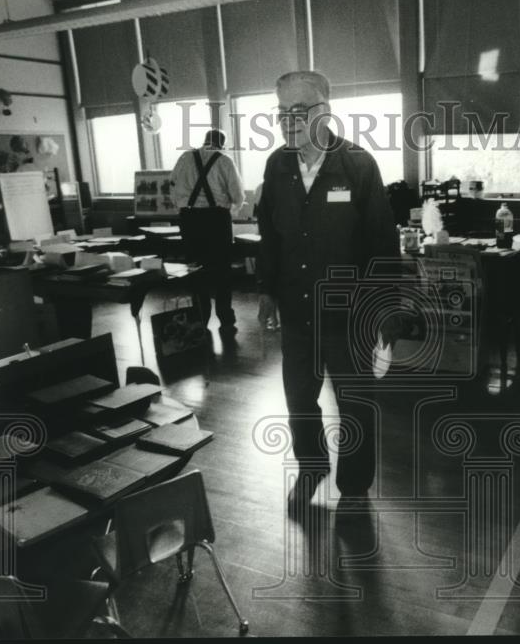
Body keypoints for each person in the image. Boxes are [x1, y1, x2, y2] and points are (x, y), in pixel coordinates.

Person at [256, 71, 400, 519]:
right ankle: (312, 466)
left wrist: (385, 312)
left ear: (326, 110)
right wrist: (266, 292)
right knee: (299, 398)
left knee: (355, 403)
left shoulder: (358, 165)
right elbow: (269, 238)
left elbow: (382, 243)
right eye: (282, 112)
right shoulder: (277, 166)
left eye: (300, 110)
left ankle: (354, 484)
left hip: (348, 314)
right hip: (297, 310)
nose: (289, 120)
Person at [171, 128, 245, 337]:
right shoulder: (224, 160)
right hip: (216, 220)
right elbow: (237, 195)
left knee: (195, 269)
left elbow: (173, 189)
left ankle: (200, 319)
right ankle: (226, 321)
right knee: (222, 271)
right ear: (222, 143)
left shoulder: (184, 158)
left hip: (189, 219)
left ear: (204, 141)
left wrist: (185, 207)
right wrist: (231, 207)